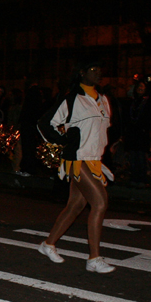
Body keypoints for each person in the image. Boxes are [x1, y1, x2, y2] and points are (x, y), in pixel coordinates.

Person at [35, 61, 115, 273]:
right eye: (93, 69)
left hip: (95, 159)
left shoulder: (104, 99)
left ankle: (48, 244)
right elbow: (44, 123)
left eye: (99, 69)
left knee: (75, 206)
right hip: (77, 158)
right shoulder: (72, 98)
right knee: (99, 202)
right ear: (81, 73)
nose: (98, 72)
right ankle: (94, 258)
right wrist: (64, 140)